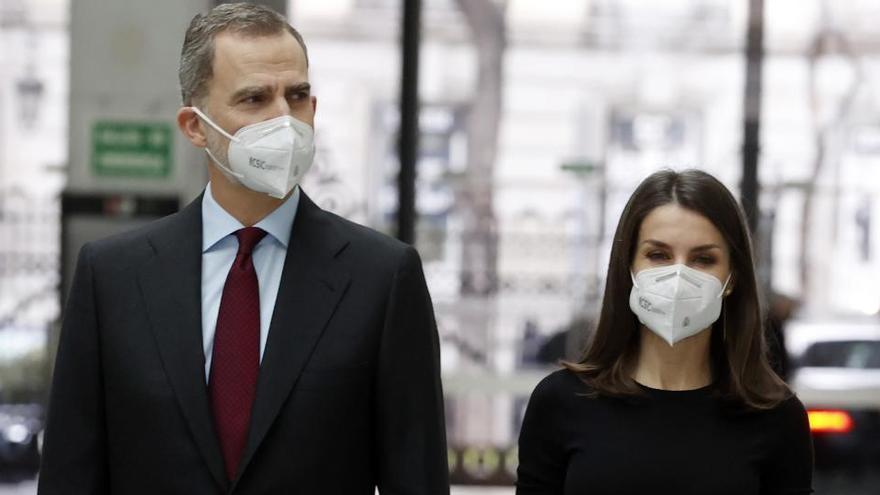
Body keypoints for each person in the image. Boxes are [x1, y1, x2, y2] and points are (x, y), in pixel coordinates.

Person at [38, 4, 449, 494]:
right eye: (254, 99)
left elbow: (416, 476)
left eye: (296, 96)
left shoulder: (382, 278)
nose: (283, 119)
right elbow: (71, 474)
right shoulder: (113, 277)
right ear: (195, 126)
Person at [516, 169, 813, 494]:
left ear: (732, 279)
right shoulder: (562, 401)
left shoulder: (775, 417)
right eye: (658, 255)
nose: (678, 275)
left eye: (703, 259)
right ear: (628, 267)